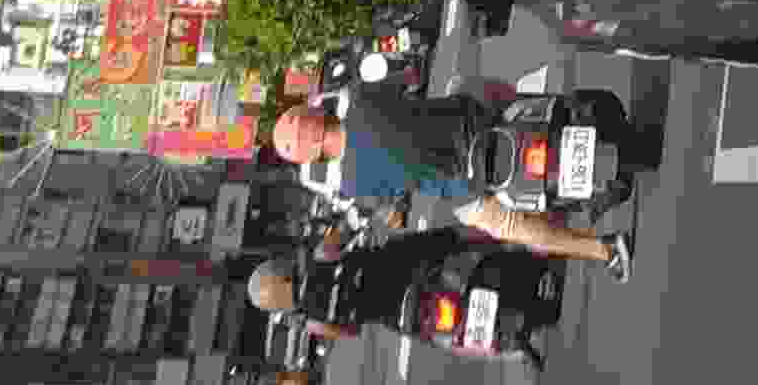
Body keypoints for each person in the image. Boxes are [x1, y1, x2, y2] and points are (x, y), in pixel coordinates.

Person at [268, 97, 628, 272]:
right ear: (316, 113)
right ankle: (581, 118)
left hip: (465, 185)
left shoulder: (352, 183)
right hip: (475, 120)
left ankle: (605, 249)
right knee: (514, 102)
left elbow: (394, 207)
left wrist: (393, 212)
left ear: (312, 155)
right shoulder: (362, 98)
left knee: (511, 227)